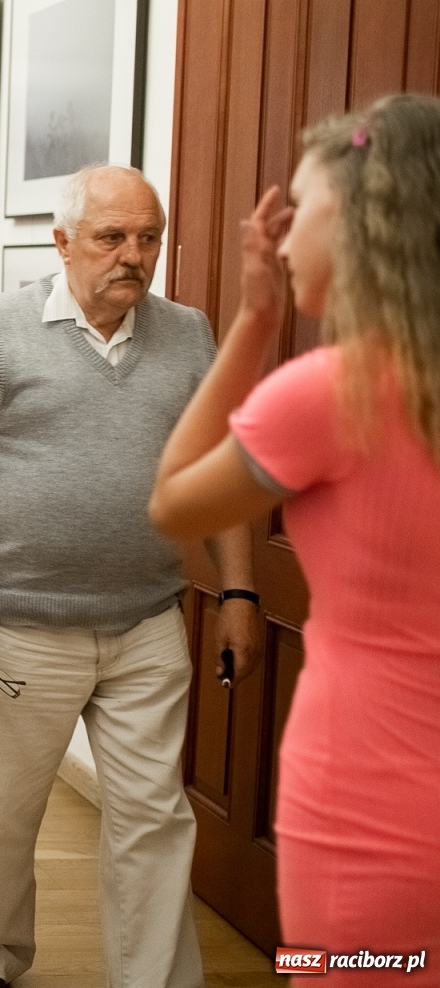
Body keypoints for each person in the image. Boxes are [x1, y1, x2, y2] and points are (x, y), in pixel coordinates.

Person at [0, 164, 256, 988]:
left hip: (145, 624)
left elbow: (224, 472)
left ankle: (157, 979)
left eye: (148, 238)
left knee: (153, 820)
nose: (133, 255)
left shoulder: (189, 332)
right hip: (20, 628)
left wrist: (240, 593)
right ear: (62, 242)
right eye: (111, 237)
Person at [149, 95, 440, 985]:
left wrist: (252, 324)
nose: (279, 240)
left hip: (372, 804)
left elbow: (174, 504)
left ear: (360, 223)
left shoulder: (332, 391)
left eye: (301, 210)